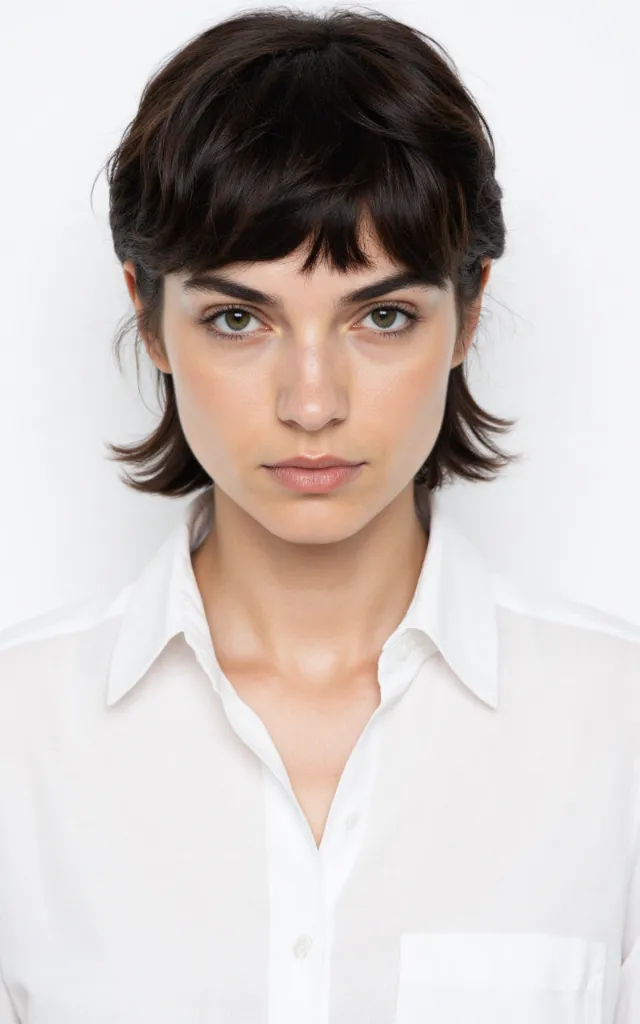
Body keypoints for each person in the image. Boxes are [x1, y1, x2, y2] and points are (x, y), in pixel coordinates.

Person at [0, 6, 638, 1023]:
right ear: (147, 313)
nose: (311, 403)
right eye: (237, 318)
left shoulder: (617, 729)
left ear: (468, 311)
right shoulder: (19, 736)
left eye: (381, 316)